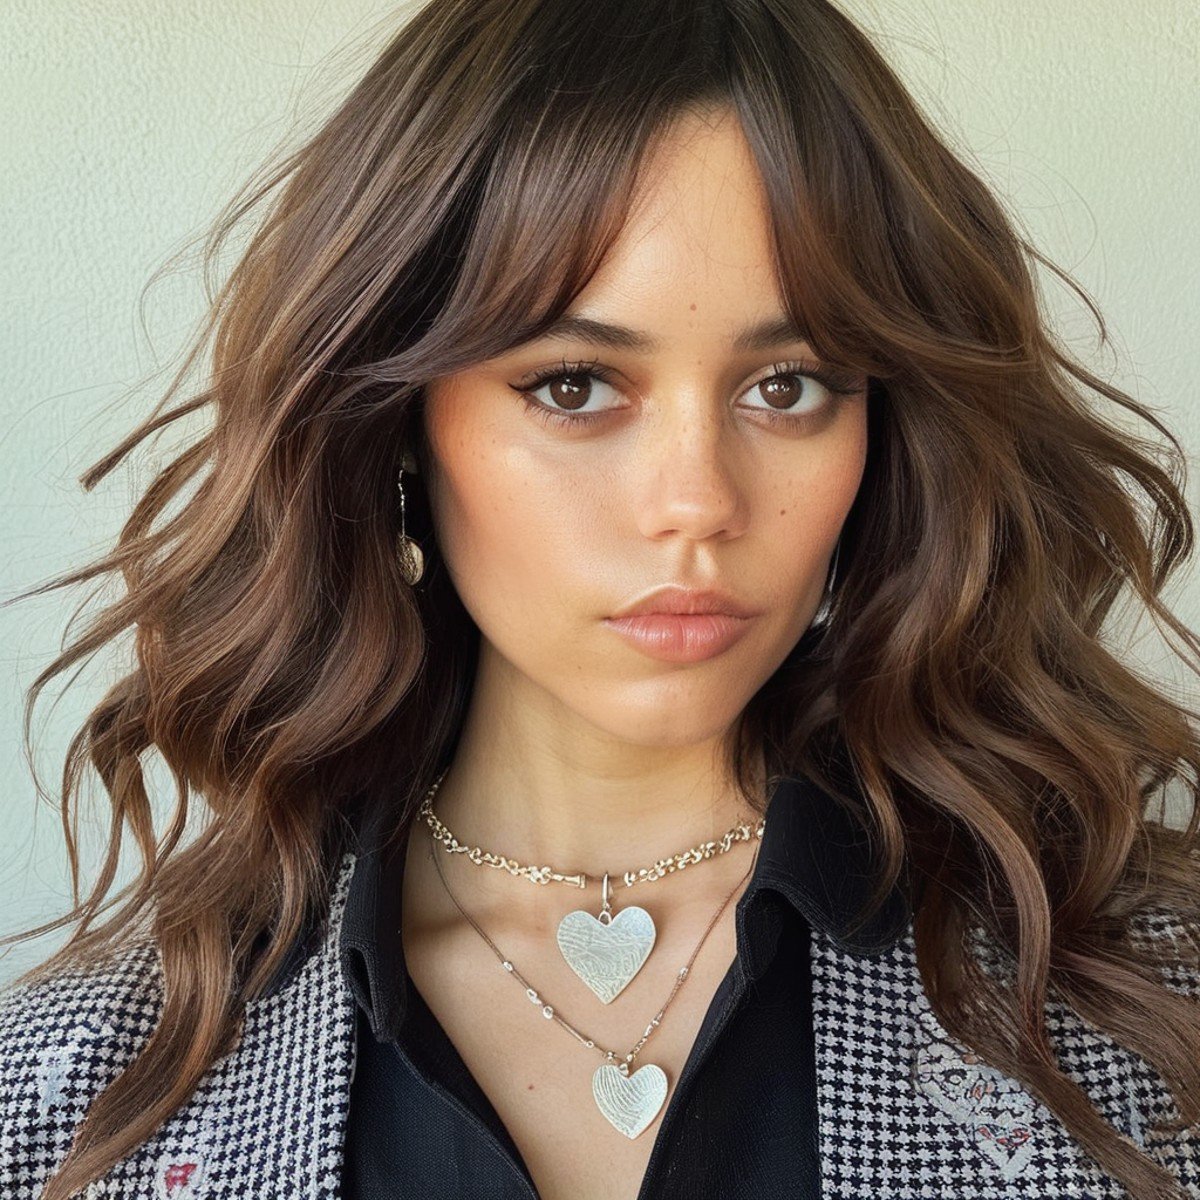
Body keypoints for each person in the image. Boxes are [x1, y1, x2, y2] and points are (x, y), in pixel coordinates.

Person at [2, 0, 1198, 1197]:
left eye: (788, 386)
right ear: (397, 424)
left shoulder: (1153, 1006)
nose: (696, 502)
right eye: (575, 385)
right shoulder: (61, 1096)